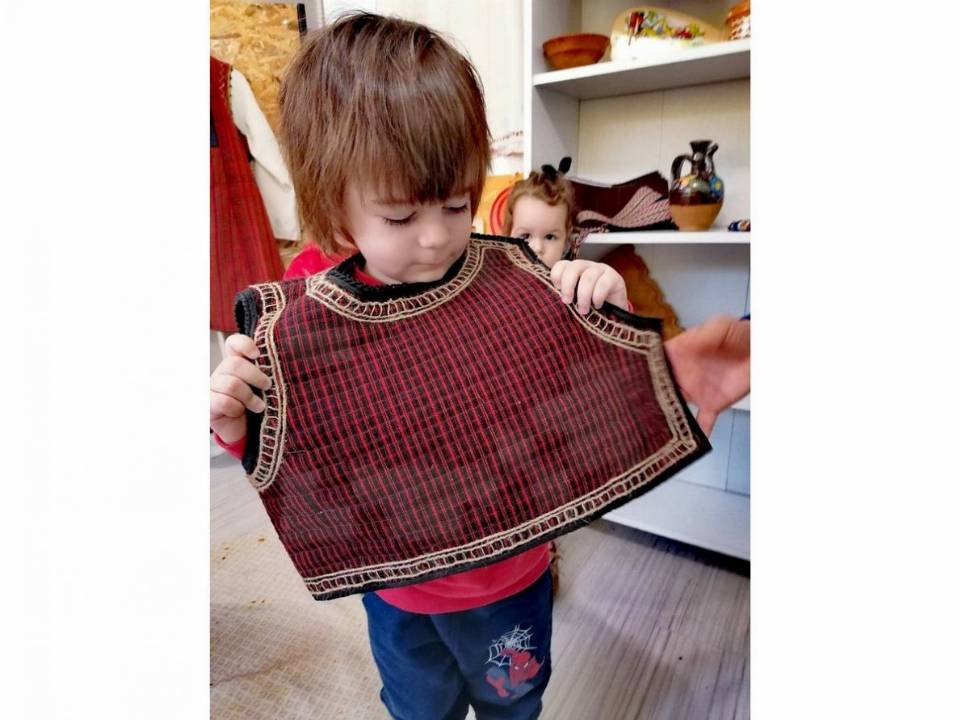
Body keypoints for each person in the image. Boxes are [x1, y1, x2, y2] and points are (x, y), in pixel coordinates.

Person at [209, 13, 748, 720]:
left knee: (512, 702)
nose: (436, 237)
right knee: (418, 706)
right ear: (335, 210)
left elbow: (572, 398)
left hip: (513, 580)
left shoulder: (518, 280)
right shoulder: (302, 315)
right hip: (399, 593)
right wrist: (237, 420)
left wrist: (609, 320)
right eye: (399, 217)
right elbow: (300, 447)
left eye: (457, 203)